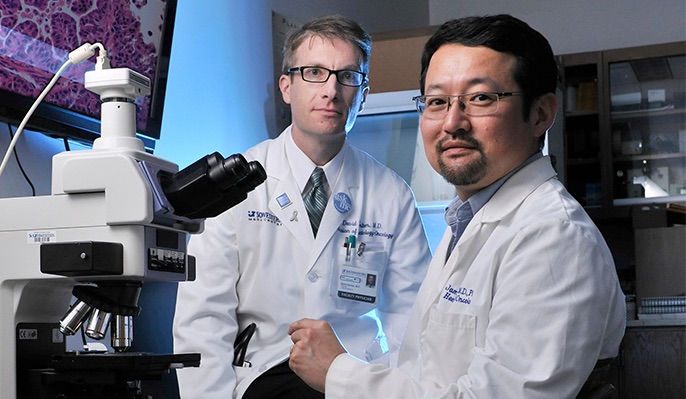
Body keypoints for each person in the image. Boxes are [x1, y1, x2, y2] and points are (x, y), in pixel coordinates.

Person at [288, 14, 626, 398]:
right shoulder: (465, 222)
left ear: (541, 114)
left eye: (481, 98)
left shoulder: (554, 239)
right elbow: (424, 369)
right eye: (436, 101)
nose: (452, 122)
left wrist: (338, 372)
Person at [173, 15, 432, 399]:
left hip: (357, 375)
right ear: (286, 87)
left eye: (347, 76)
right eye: (314, 72)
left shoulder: (391, 194)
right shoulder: (236, 187)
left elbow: (411, 320)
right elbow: (204, 319)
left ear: (362, 93)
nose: (331, 90)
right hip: (265, 373)